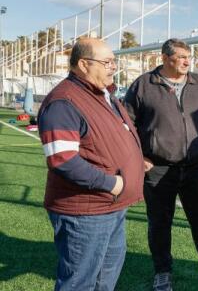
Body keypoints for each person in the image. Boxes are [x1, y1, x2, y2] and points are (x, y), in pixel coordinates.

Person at [124, 38, 198, 291]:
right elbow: (126, 125)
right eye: (182, 57)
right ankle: (162, 272)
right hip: (157, 168)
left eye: (190, 57)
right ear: (165, 59)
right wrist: (139, 156)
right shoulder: (144, 85)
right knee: (159, 222)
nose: (188, 61)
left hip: (195, 167)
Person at [38, 37, 144, 291]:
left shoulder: (103, 93)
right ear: (84, 64)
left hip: (110, 205)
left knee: (104, 279)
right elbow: (63, 160)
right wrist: (113, 184)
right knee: (79, 283)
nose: (113, 67)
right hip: (85, 211)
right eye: (107, 62)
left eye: (114, 61)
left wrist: (137, 162)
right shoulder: (64, 101)